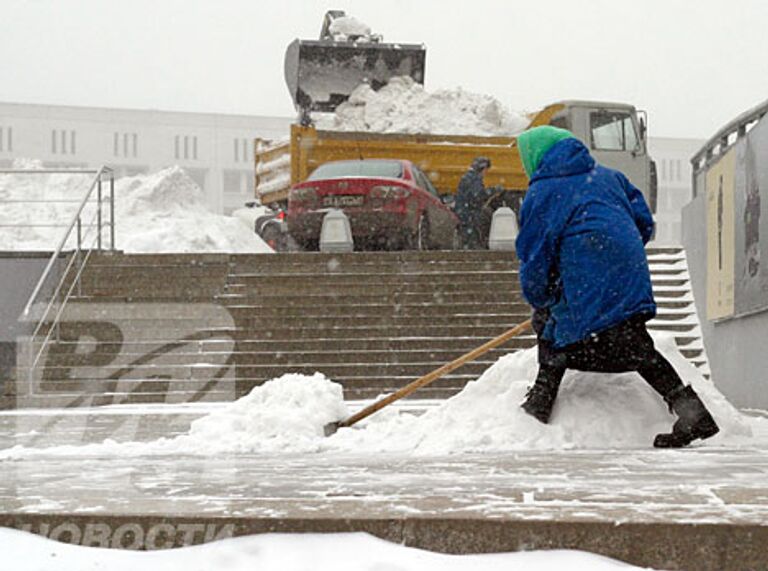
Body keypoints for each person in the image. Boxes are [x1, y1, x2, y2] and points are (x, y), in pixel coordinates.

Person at [514, 125, 719, 448]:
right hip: (629, 276)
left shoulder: (545, 191)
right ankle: (693, 412)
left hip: (588, 282)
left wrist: (541, 295)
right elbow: (644, 222)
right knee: (635, 345)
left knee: (550, 325)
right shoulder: (610, 177)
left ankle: (539, 403)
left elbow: (535, 256)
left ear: (535, 155)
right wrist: (615, 257)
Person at [455, 157, 492, 249]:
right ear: (482, 168)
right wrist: (493, 191)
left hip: (465, 214)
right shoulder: (474, 179)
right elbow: (478, 196)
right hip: (470, 215)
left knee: (468, 239)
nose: (486, 173)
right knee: (473, 241)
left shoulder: (468, 177)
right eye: (486, 170)